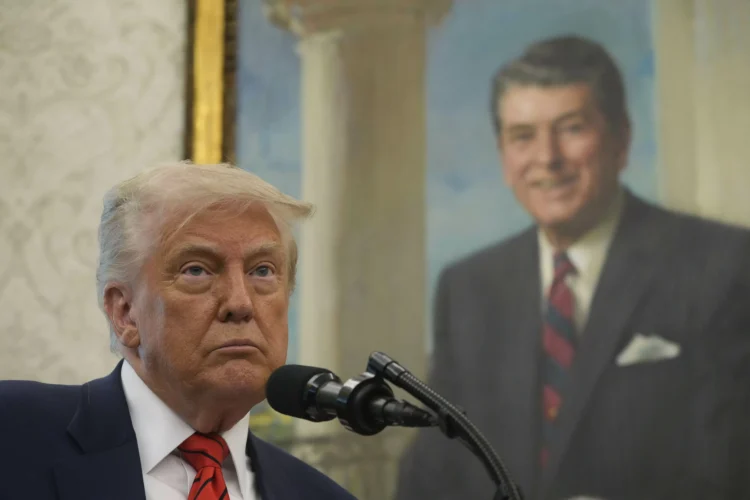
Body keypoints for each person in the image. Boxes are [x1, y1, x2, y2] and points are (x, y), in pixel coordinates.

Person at [395, 35, 750, 500]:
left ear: (621, 139)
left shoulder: (723, 265)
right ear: (503, 155)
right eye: (523, 136)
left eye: (572, 128)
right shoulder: (468, 288)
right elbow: (433, 470)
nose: (548, 158)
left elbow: (734, 466)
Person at [0, 162, 357, 500]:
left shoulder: (320, 496)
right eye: (197, 270)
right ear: (125, 313)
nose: (240, 303)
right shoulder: (13, 434)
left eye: (262, 271)